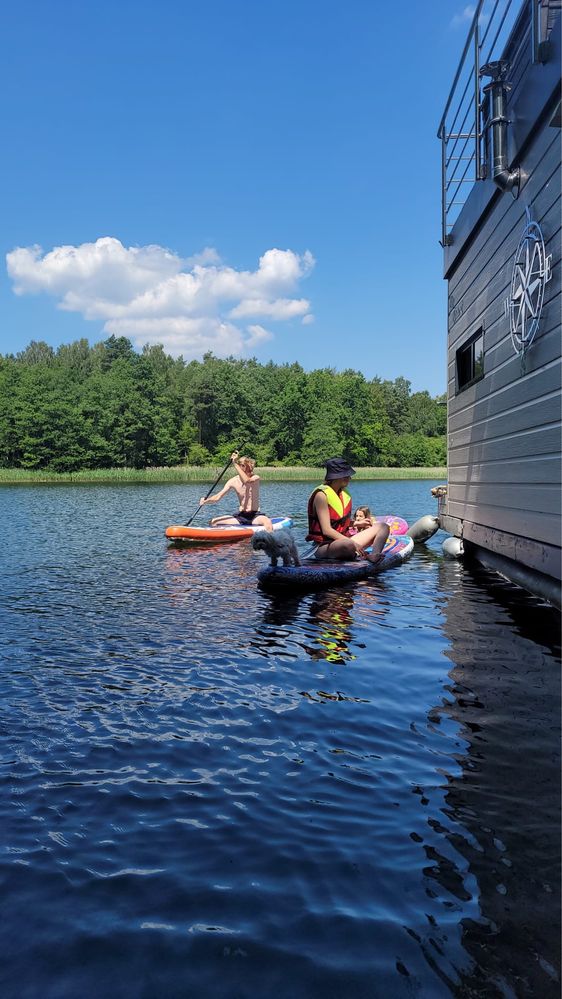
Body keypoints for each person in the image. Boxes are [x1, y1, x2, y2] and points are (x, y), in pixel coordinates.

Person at [306, 457, 389, 564]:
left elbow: (338, 522)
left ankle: (374, 555)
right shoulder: (321, 496)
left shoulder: (342, 493)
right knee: (348, 545)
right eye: (347, 475)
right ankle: (357, 553)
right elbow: (327, 530)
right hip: (324, 547)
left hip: (344, 541)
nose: (350, 478)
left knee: (383, 527)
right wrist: (353, 543)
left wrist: (357, 523)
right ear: (337, 477)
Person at [199, 452, 273, 531]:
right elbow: (218, 497)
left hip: (255, 515)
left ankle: (271, 541)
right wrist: (206, 501)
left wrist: (234, 463)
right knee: (214, 521)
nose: (249, 468)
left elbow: (247, 481)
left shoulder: (255, 478)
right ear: (240, 466)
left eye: (248, 465)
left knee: (267, 523)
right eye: (244, 465)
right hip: (241, 516)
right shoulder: (233, 481)